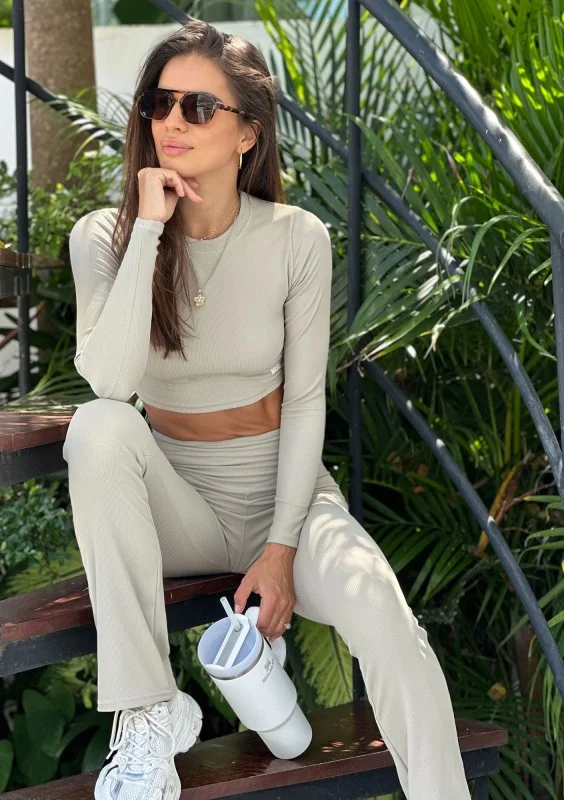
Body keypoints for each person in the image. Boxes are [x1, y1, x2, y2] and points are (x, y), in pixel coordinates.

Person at [62, 17, 471, 800]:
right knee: (99, 426)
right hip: (176, 502)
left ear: (247, 133)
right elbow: (111, 384)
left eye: (197, 107)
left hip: (284, 493)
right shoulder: (103, 238)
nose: (172, 122)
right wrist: (147, 230)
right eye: (158, 103)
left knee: (388, 623)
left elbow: (308, 398)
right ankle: (148, 713)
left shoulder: (295, 238)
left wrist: (282, 546)